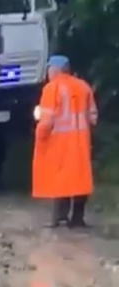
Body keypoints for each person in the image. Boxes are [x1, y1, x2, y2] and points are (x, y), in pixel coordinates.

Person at [33, 54, 97, 228]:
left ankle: (59, 217)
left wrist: (40, 137)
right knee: (80, 179)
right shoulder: (84, 87)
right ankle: (77, 218)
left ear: (55, 69)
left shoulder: (51, 88)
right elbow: (93, 117)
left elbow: (47, 120)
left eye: (48, 69)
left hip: (59, 142)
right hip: (81, 142)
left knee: (59, 179)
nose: (47, 73)